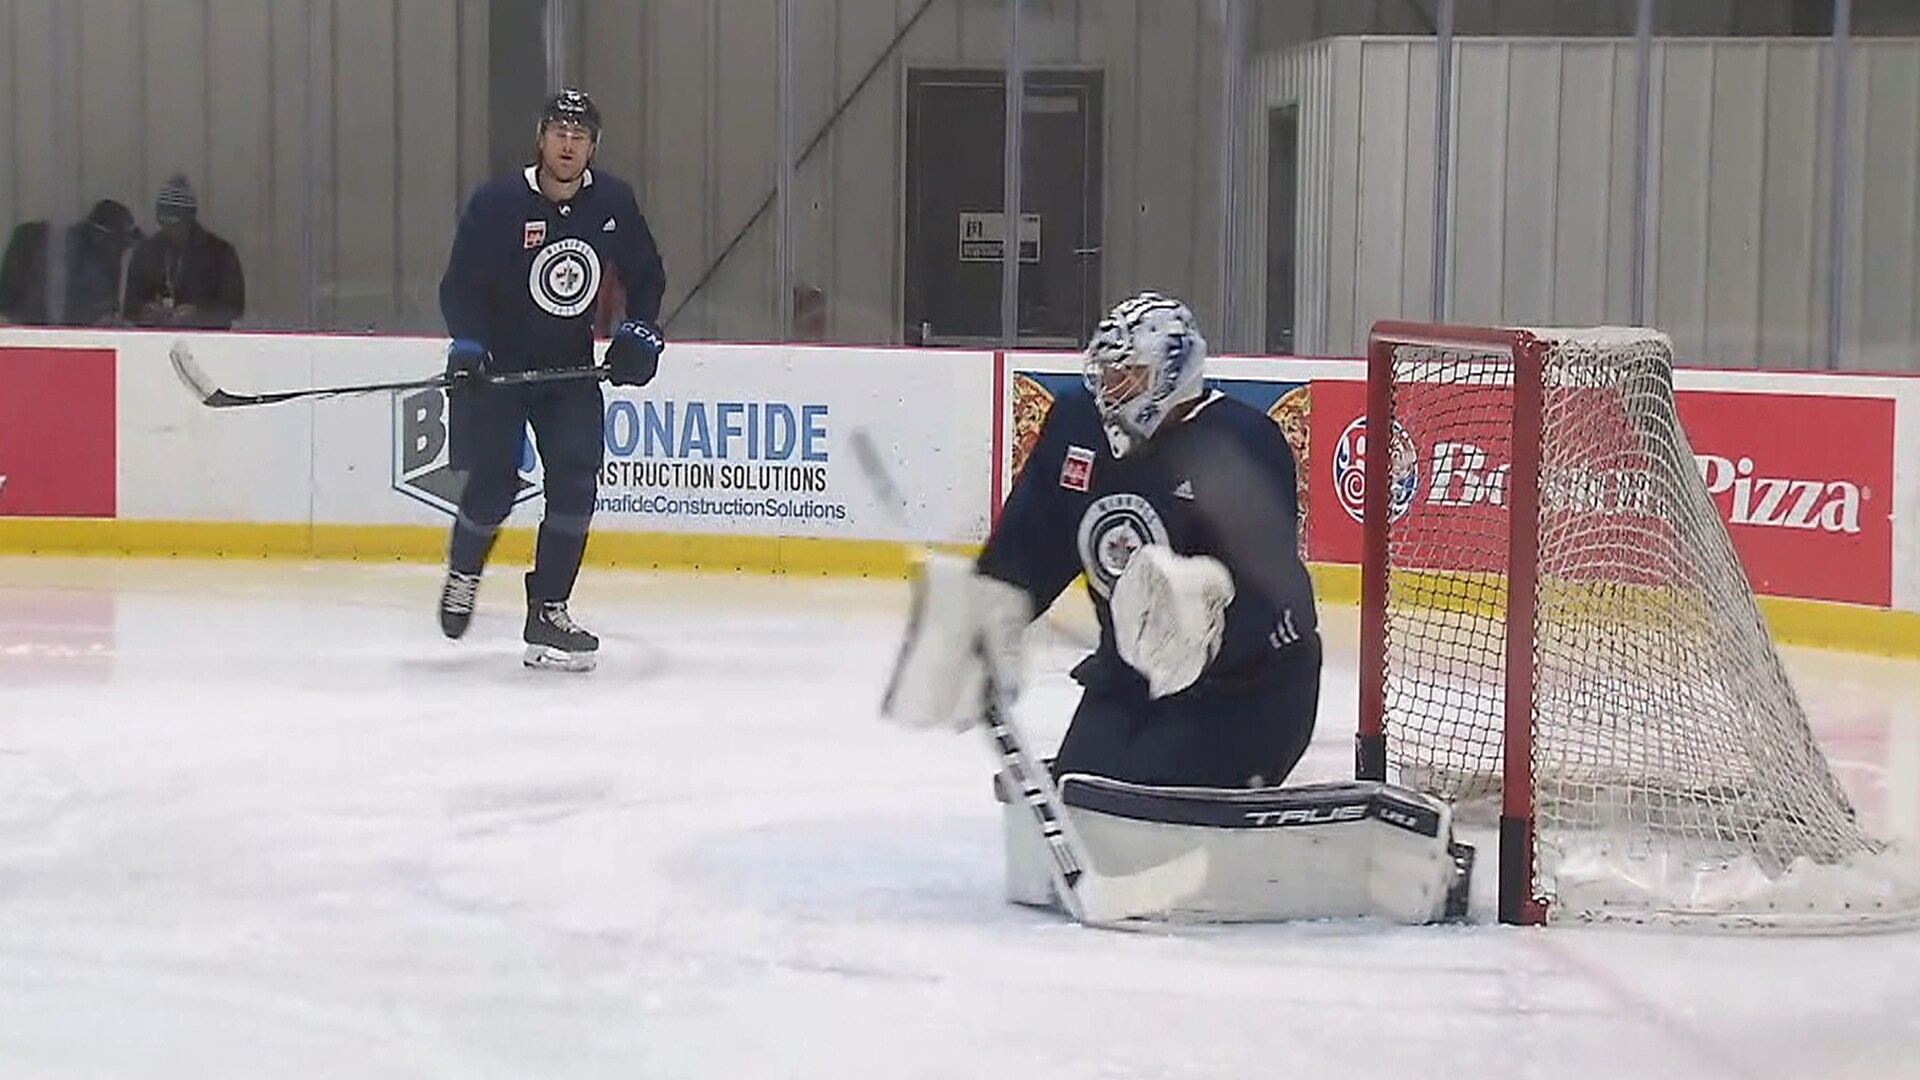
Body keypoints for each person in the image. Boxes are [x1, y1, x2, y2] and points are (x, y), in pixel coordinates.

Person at [879, 294, 1471, 925]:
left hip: (1249, 694)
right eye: (1105, 373)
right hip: (1130, 682)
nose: (1110, 390)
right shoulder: (1078, 429)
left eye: (1127, 374)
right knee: (1090, 801)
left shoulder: (1240, 445)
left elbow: (1278, 599)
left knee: (1145, 809)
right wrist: (983, 611)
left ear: (1173, 373)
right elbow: (1032, 544)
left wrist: (1210, 634)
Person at [434, 87, 667, 672]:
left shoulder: (612, 201)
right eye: (559, 132)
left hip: (570, 371)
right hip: (500, 372)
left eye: (580, 134)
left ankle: (549, 611)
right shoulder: (496, 205)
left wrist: (639, 331)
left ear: (593, 145)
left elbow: (648, 275)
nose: (568, 143)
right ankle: (465, 568)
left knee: (576, 481)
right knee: (494, 484)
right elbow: (461, 284)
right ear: (541, 138)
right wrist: (467, 345)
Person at [121, 175, 246, 329]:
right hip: (154, 341)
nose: (169, 230)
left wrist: (199, 313)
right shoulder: (146, 252)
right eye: (163, 223)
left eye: (175, 224)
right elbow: (129, 307)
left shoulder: (220, 254)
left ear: (190, 219)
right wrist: (145, 311)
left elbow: (234, 308)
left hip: (207, 342)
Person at [0, 199, 142, 326]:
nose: (121, 252)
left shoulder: (105, 260)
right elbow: (64, 313)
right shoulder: (69, 257)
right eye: (119, 244)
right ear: (100, 236)